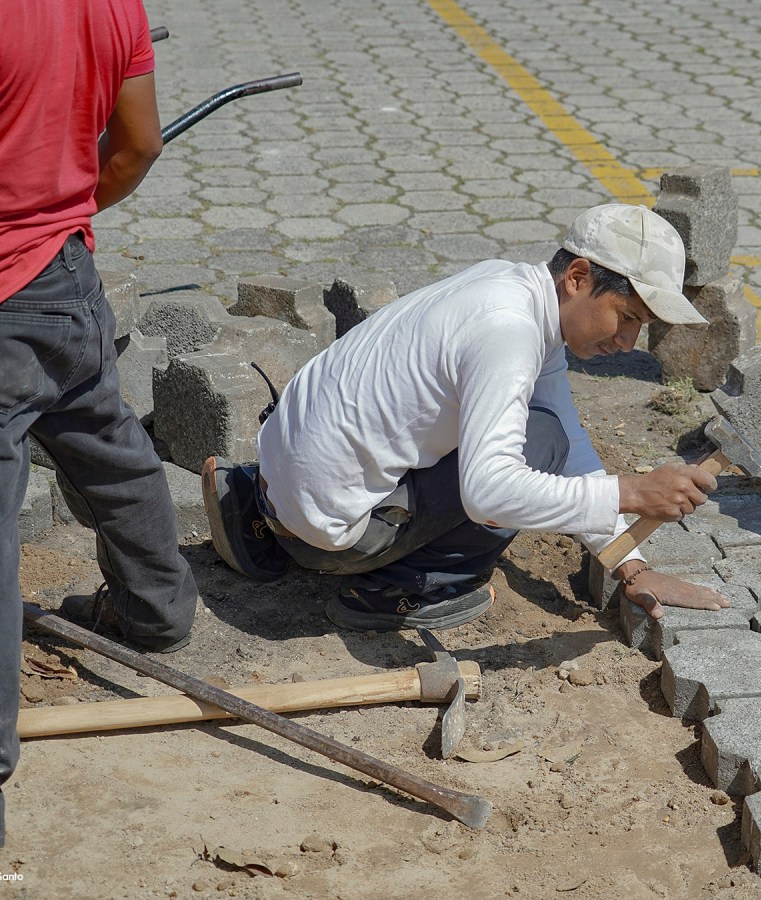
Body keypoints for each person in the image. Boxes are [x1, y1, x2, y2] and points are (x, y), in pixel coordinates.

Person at [202, 203, 731, 632]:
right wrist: (631, 493)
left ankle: (250, 509)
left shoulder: (508, 286)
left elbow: (568, 426)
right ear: (578, 276)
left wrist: (627, 561)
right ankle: (398, 589)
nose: (627, 342)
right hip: (329, 534)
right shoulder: (507, 331)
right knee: (536, 443)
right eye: (628, 316)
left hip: (279, 479)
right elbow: (490, 494)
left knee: (546, 430)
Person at [0, 0, 199, 846]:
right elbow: (140, 144)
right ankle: (157, 613)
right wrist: (67, 215)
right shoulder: (110, 2)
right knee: (108, 445)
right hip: (65, 274)